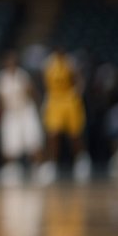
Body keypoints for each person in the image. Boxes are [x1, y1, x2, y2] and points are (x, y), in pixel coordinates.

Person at [40, 46, 90, 182]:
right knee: (53, 133)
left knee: (74, 134)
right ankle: (51, 164)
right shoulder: (48, 63)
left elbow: (79, 80)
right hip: (55, 100)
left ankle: (81, 159)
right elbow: (45, 83)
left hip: (69, 100)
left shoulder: (70, 62)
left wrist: (77, 93)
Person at [0, 50, 43, 185]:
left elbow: (32, 93)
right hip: (11, 112)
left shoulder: (22, 76)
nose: (10, 64)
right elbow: (0, 98)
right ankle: (11, 168)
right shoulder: (1, 78)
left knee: (33, 139)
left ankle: (38, 167)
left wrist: (39, 107)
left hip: (26, 110)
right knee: (9, 142)